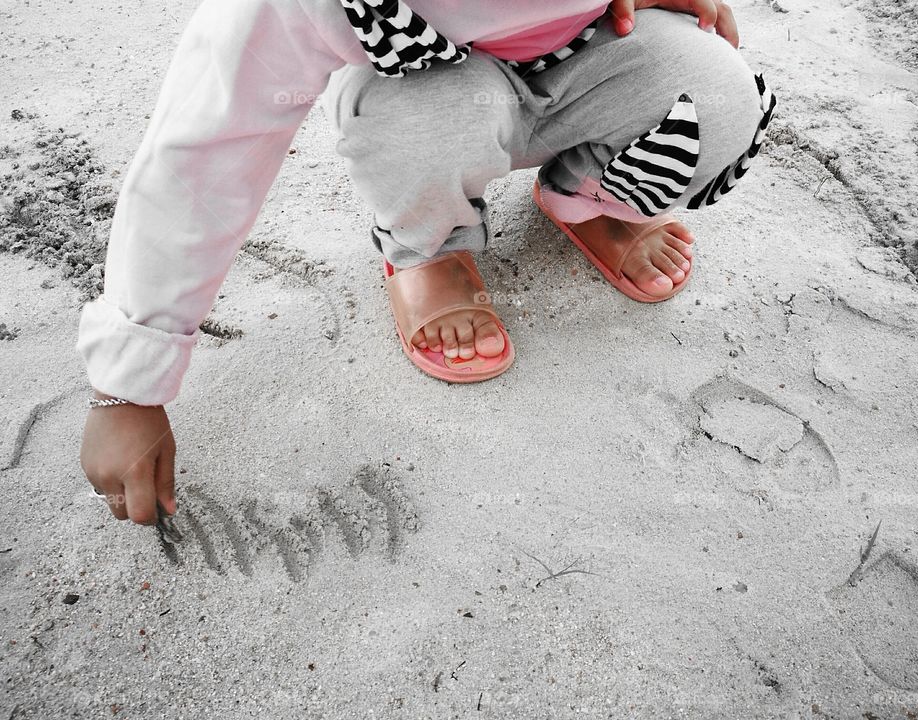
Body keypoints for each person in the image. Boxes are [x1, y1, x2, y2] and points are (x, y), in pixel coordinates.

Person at [78, 0, 776, 525]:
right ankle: (429, 245)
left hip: (588, 48)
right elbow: (207, 146)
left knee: (715, 95)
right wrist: (129, 381)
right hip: (425, 86)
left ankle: (584, 196)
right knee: (419, 118)